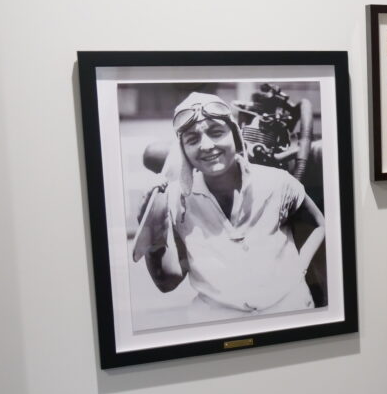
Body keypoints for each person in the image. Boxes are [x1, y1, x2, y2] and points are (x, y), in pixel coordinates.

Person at [133, 91, 326, 322]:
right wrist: (154, 229)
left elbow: (318, 224)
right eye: (192, 139)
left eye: (216, 132)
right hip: (218, 329)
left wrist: (299, 267)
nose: (206, 146)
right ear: (182, 149)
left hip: (291, 318)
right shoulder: (176, 200)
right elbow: (168, 281)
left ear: (234, 134)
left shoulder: (278, 182)